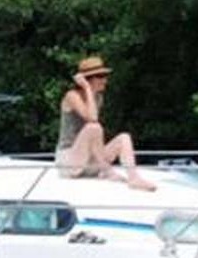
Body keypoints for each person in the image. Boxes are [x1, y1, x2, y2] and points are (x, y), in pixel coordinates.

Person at [56, 56, 155, 191]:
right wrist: (87, 88)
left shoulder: (98, 98)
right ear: (87, 79)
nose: (105, 80)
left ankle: (133, 178)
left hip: (90, 161)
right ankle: (106, 170)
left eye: (105, 76)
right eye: (100, 76)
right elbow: (92, 118)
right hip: (70, 162)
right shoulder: (72, 96)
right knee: (93, 128)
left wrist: (90, 92)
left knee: (124, 137)